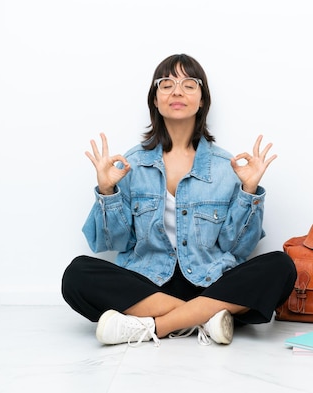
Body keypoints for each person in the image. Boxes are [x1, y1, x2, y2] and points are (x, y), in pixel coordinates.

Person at [61, 54, 297, 347]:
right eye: (166, 84)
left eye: (189, 84)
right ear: (155, 100)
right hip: (149, 286)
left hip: (210, 283)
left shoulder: (227, 167)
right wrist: (107, 191)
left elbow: (238, 248)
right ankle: (205, 318)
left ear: (202, 101)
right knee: (77, 274)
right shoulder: (130, 165)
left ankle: (150, 327)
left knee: (282, 266)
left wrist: (249, 190)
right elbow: (113, 243)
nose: (176, 91)